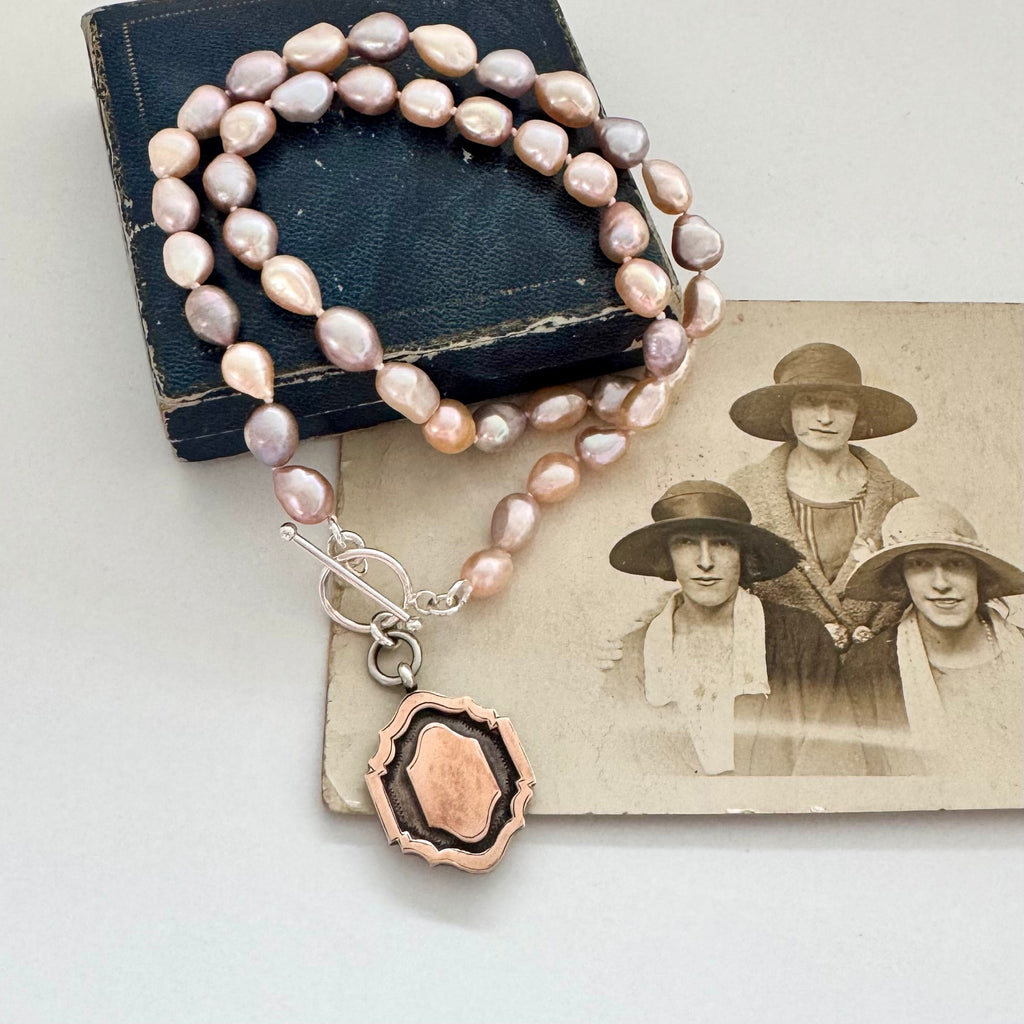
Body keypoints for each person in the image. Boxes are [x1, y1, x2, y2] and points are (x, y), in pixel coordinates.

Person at [605, 480, 860, 776]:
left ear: (743, 554)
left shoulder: (801, 636)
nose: (705, 562)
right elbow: (619, 770)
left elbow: (833, 758)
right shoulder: (634, 653)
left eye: (722, 543)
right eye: (686, 543)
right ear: (668, 556)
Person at [726, 342, 918, 649]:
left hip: (880, 674)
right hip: (779, 669)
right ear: (787, 413)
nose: (825, 417)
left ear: (858, 414)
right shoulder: (744, 493)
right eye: (809, 402)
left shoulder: (900, 499)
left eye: (840, 404)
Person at [841, 498, 1024, 778]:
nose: (940, 583)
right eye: (919, 565)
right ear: (902, 578)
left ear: (979, 573)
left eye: (956, 563)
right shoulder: (870, 669)